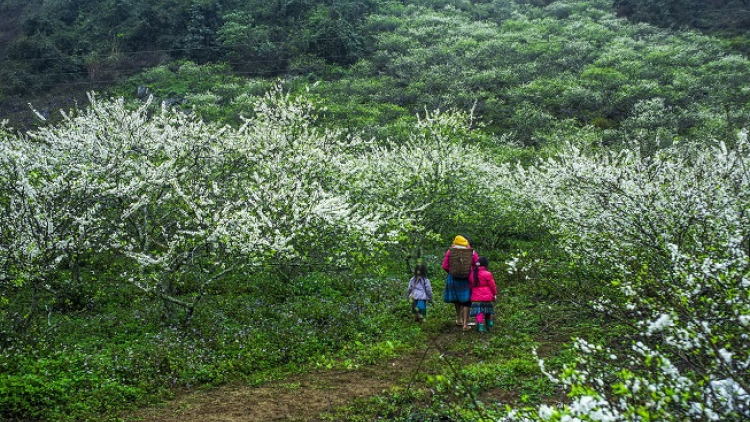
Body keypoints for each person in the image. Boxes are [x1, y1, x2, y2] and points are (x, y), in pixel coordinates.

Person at [442, 235, 479, 331]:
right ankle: (465, 323)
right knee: (467, 300)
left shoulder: (450, 251)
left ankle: (459, 319)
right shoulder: (472, 252)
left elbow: (445, 266)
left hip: (453, 278)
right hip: (467, 278)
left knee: (456, 299)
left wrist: (452, 272)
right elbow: (476, 264)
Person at [468, 256, 497, 333]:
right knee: (488, 310)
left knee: (479, 312)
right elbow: (492, 286)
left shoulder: (472, 274)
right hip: (487, 297)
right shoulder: (488, 274)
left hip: (476, 297)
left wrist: (472, 294)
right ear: (486, 265)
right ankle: (488, 323)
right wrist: (494, 294)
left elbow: (470, 286)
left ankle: (480, 326)